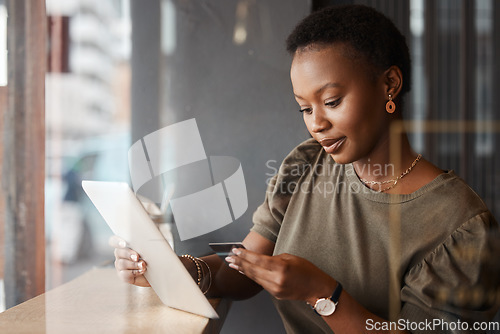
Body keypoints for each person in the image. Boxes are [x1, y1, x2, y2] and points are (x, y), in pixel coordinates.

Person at [110, 5, 499, 333]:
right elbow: (247, 269)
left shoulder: (459, 228)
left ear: (389, 85)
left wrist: (322, 293)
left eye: (331, 101)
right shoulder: (306, 164)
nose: (316, 123)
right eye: (305, 108)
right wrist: (178, 270)